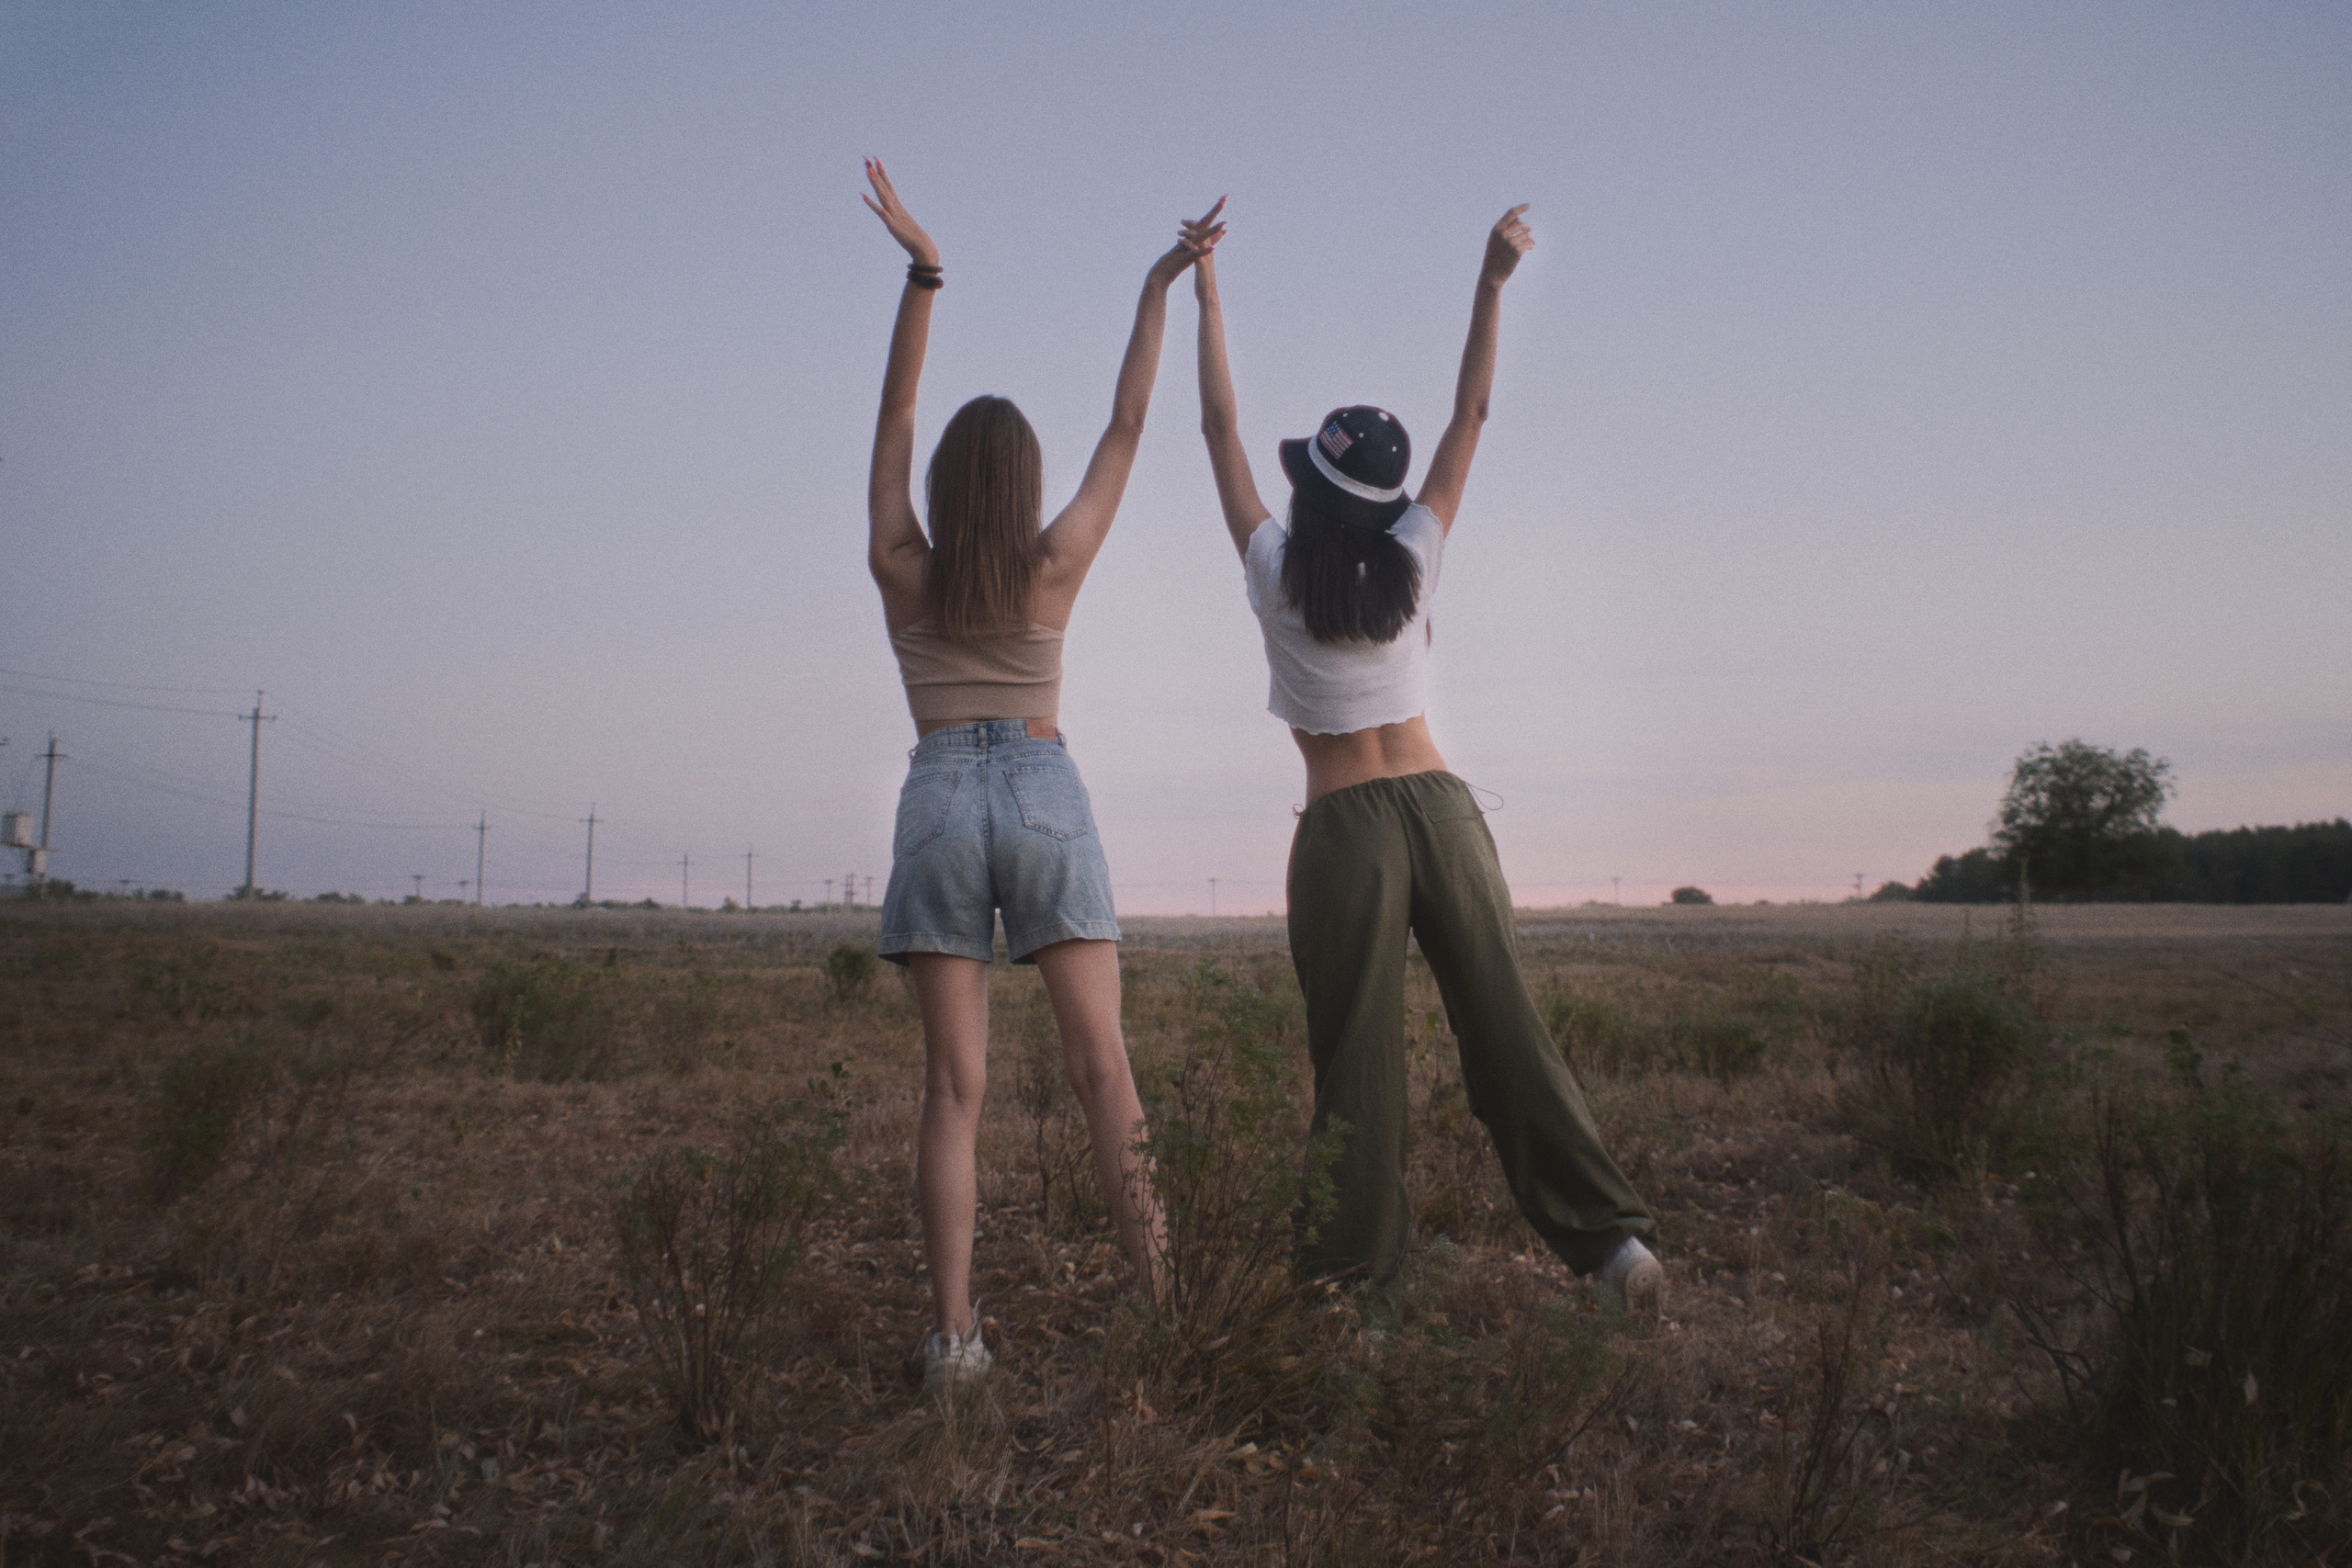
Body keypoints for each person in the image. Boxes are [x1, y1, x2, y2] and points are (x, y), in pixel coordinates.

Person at [1184, 202, 1664, 1319]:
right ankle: (1613, 1249)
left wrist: (1204, 288)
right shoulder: (1415, 554)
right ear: (1386, 502)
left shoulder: (1273, 567)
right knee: (1507, 1030)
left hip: (1347, 826)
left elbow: (1216, 427)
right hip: (1444, 812)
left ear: (1308, 491)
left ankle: (1354, 1291)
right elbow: (1471, 413)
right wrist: (1492, 282)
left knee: (1358, 1063)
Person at [863, 161, 1217, 1392]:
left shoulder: (899, 564)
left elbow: (896, 416)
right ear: (1022, 486)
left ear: (945, 486)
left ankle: (956, 1341)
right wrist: (1160, 286)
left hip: (936, 795)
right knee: (1102, 1067)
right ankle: (1165, 1310)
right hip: (1042, 782)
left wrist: (925, 273)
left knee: (953, 1090)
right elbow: (1127, 426)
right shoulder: (1054, 563)